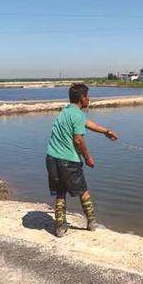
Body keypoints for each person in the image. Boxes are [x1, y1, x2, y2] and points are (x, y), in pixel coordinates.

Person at [45, 83, 118, 237]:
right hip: (68, 160)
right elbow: (78, 140)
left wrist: (106, 131)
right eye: (88, 96)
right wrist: (88, 158)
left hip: (52, 158)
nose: (89, 99)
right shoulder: (77, 114)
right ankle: (92, 223)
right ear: (82, 98)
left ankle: (59, 228)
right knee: (83, 191)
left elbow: (87, 123)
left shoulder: (66, 111)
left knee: (60, 192)